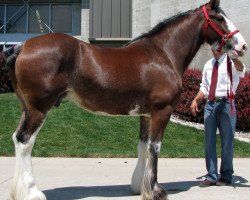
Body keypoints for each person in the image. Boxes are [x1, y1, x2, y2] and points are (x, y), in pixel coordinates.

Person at [190, 42, 245, 187]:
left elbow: (242, 70)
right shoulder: (208, 64)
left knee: (227, 141)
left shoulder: (230, 62)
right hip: (210, 104)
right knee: (209, 141)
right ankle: (212, 175)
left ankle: (226, 175)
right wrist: (196, 99)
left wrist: (235, 58)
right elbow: (204, 87)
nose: (215, 52)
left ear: (223, 48)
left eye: (218, 49)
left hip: (227, 104)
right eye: (213, 49)